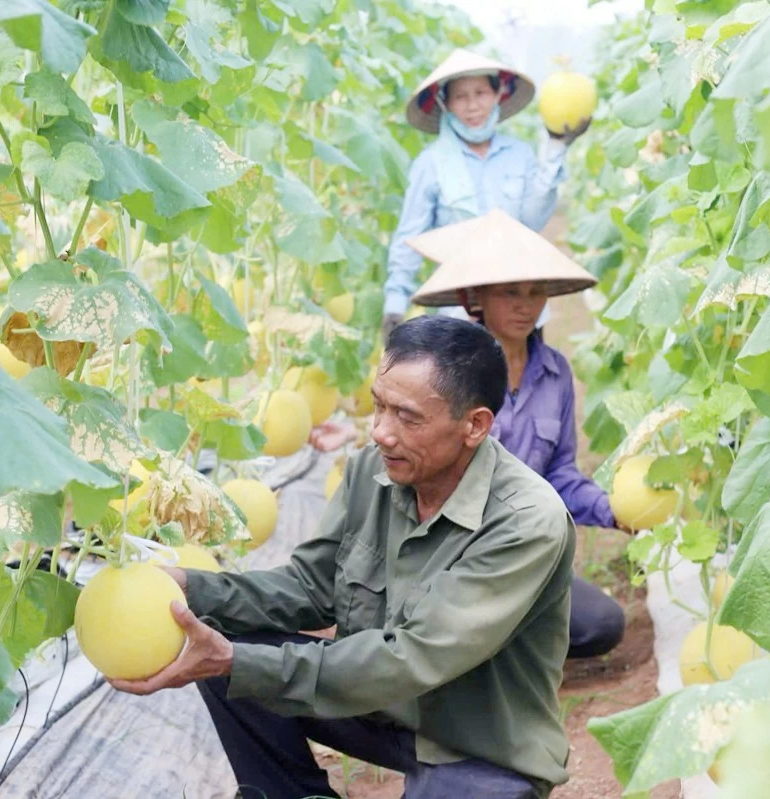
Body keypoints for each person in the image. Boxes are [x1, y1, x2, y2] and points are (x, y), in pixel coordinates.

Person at [112, 315, 577, 799]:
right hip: (376, 708)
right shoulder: (373, 472)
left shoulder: (525, 520)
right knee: (226, 640)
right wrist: (191, 587)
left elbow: (411, 658)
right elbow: (309, 588)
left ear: (475, 425)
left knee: (239, 663)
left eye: (407, 417)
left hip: (478, 746)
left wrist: (236, 662)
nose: (380, 432)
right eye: (379, 407)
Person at [407, 209, 626, 661]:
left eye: (535, 292)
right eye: (510, 292)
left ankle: (500, 641)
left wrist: (612, 510)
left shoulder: (556, 373)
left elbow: (560, 473)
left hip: (525, 558)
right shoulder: (446, 374)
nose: (526, 305)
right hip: (455, 558)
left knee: (602, 625)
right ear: (475, 298)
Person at [382, 49, 591, 343]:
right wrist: (394, 306)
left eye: (480, 93)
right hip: (459, 315)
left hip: (521, 309)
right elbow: (409, 237)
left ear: (498, 94)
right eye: (460, 97)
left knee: (528, 385)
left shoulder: (519, 155)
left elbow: (532, 220)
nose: (472, 106)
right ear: (446, 104)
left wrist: (556, 146)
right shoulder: (430, 165)